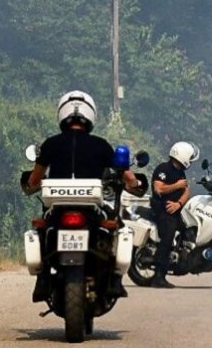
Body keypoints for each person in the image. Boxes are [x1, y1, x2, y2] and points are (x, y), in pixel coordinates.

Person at [23, 90, 143, 301]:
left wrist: (32, 184)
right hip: (91, 207)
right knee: (117, 228)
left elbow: (35, 179)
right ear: (91, 115)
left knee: (43, 230)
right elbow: (126, 175)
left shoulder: (51, 144)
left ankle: (42, 279)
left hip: (57, 207)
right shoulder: (101, 145)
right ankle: (115, 279)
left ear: (61, 114)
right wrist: (135, 184)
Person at [149, 140, 197, 288]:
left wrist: (179, 204)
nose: (190, 161)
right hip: (162, 210)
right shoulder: (163, 169)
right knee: (168, 237)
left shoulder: (180, 173)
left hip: (175, 210)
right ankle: (159, 275)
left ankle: (181, 262)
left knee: (188, 233)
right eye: (189, 157)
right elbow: (159, 189)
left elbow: (187, 191)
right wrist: (176, 186)